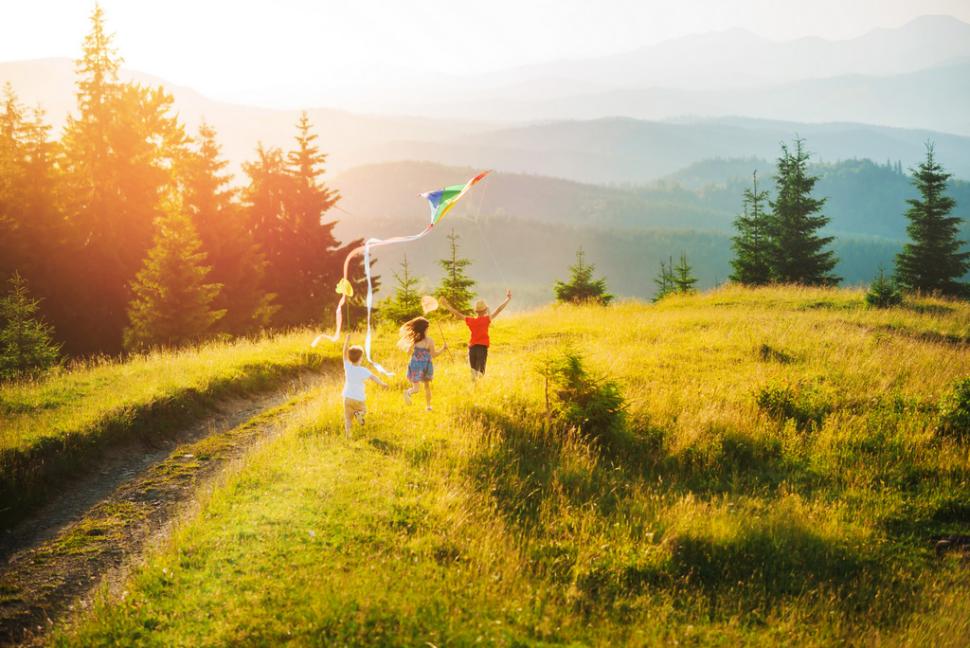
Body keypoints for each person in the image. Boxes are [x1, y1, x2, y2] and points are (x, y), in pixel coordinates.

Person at [439, 290, 512, 381]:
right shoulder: (487, 319)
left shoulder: (471, 321)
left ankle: (474, 389)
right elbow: (499, 309)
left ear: (476, 311)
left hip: (472, 349)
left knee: (473, 373)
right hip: (482, 348)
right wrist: (508, 299)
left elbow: (457, 313)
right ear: (485, 310)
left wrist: (446, 305)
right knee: (480, 373)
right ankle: (478, 390)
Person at [342, 334, 387, 437]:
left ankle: (348, 435)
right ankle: (359, 414)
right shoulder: (363, 370)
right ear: (361, 358)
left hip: (347, 397)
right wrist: (382, 384)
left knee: (348, 418)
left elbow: (344, 353)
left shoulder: (347, 366)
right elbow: (374, 377)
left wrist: (347, 341)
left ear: (349, 358)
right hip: (359, 398)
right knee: (364, 411)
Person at [399, 316, 447, 411]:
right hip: (425, 366)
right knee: (427, 386)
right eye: (427, 328)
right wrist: (443, 349)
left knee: (416, 388)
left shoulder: (415, 340)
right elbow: (434, 354)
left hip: (414, 365)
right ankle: (428, 406)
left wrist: (414, 351)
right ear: (424, 329)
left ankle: (408, 392)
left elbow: (409, 352)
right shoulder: (429, 341)